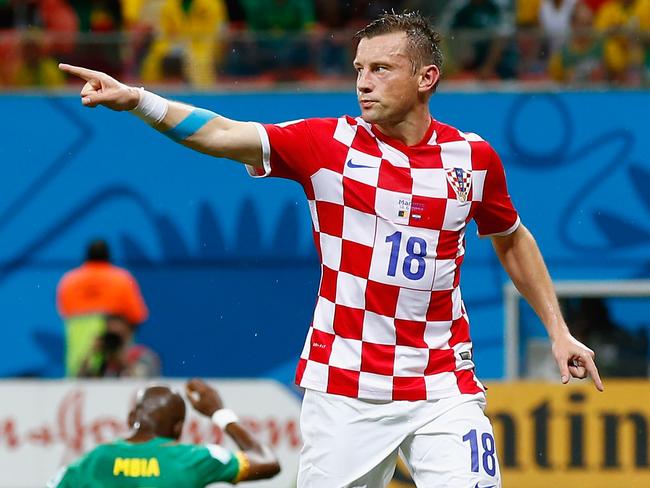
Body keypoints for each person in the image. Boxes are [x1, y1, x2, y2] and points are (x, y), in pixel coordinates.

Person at [58, 11, 603, 487]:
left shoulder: (473, 157)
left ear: (426, 77)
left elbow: (512, 238)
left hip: (443, 382)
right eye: (359, 70)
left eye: (381, 69)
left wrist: (558, 330)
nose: (363, 84)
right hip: (346, 388)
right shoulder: (325, 145)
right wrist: (138, 101)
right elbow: (221, 134)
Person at [47, 379, 281, 486]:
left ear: (131, 419)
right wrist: (219, 413)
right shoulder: (193, 459)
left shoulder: (94, 461)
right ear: (179, 428)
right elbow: (268, 462)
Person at [57, 239, 149, 376]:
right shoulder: (121, 278)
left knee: (79, 381)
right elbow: (138, 315)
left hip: (79, 342)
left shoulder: (70, 280)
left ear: (86, 257)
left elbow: (64, 310)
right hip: (113, 342)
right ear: (108, 257)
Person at [78, 314, 161, 378]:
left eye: (117, 337)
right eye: (111, 336)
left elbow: (146, 382)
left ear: (130, 331)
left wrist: (123, 361)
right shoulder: (103, 360)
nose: (114, 342)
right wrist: (90, 354)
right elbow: (83, 383)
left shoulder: (144, 356)